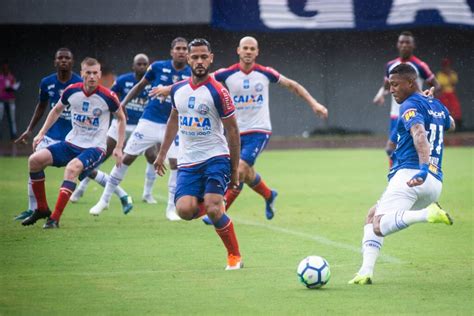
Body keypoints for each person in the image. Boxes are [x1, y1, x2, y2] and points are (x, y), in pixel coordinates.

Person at [151, 36, 328, 222]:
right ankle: (268, 195)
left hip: (259, 131)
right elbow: (196, 79)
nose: (249, 51)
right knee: (247, 173)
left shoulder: (266, 73)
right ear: (239, 51)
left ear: (257, 52)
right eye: (245, 48)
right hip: (235, 131)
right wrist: (168, 89)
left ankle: (218, 210)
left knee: (240, 169)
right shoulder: (226, 73)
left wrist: (314, 104)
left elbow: (293, 85)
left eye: (252, 48)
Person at [349, 64, 455, 285]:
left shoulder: (409, 105)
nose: (392, 89)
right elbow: (451, 124)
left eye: (395, 85)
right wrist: (429, 102)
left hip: (412, 175)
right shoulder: (435, 104)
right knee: (372, 215)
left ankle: (427, 215)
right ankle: (365, 272)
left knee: (378, 224)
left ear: (411, 83)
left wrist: (423, 169)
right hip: (435, 183)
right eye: (390, 85)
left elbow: (419, 134)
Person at [154, 38, 242, 270]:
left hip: (216, 158)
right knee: (183, 210)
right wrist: (162, 154)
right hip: (188, 161)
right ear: (188, 59)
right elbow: (174, 119)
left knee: (213, 209)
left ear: (211, 58)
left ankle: (234, 256)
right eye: (195, 57)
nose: (200, 61)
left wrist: (234, 171)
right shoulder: (178, 89)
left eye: (204, 56)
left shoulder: (218, 92)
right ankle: (211, 199)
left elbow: (233, 131)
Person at [89, 38, 191, 221]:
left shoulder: (192, 73)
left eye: (185, 49)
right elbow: (139, 86)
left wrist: (169, 89)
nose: (182, 51)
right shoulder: (158, 67)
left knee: (176, 164)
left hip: (174, 124)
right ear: (172, 51)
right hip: (149, 121)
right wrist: (122, 104)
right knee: (127, 157)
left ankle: (170, 209)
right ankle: (104, 200)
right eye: (178, 48)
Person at [21, 57, 126, 229]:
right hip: (71, 143)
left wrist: (119, 147)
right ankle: (41, 209)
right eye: (88, 72)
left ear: (100, 75)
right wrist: (41, 133)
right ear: (82, 73)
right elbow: (55, 111)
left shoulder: (108, 96)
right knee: (34, 161)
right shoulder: (71, 91)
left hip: (95, 147)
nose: (92, 76)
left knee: (72, 169)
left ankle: (54, 219)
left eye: (95, 73)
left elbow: (121, 118)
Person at [70, 54, 157, 209]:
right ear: (133, 66)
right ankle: (80, 189)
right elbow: (110, 96)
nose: (142, 67)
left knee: (152, 156)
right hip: (120, 124)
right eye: (139, 64)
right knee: (100, 156)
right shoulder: (124, 80)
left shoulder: (153, 82)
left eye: (145, 64)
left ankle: (147, 193)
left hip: (142, 126)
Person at [13, 49, 83, 221]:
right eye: (60, 58)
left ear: (72, 62)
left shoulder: (80, 82)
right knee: (35, 162)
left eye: (67, 58)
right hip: (51, 135)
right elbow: (41, 106)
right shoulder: (47, 82)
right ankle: (33, 209)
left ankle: (120, 194)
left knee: (89, 172)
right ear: (55, 61)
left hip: (72, 139)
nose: (64, 60)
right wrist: (30, 129)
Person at [373, 31, 440, 165]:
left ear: (413, 45)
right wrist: (380, 94)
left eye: (407, 42)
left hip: (415, 113)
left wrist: (428, 96)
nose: (404, 45)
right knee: (392, 149)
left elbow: (436, 85)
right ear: (397, 45)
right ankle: (394, 178)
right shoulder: (390, 65)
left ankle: (420, 174)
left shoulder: (420, 65)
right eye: (401, 42)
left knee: (416, 146)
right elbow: (386, 86)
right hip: (396, 115)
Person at [436, 58, 462, 130]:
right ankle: (445, 126)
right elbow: (440, 86)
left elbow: (453, 83)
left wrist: (449, 74)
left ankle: (456, 127)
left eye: (447, 66)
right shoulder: (440, 74)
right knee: (444, 109)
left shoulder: (452, 73)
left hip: (451, 93)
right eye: (445, 66)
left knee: (455, 109)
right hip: (443, 94)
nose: (446, 68)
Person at [0, 62, 20, 140]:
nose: (5, 70)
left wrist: (11, 87)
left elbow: (14, 86)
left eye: (6, 68)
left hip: (10, 100)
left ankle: (14, 135)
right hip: (1, 100)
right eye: (4, 68)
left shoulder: (11, 77)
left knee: (12, 119)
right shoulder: (0, 78)